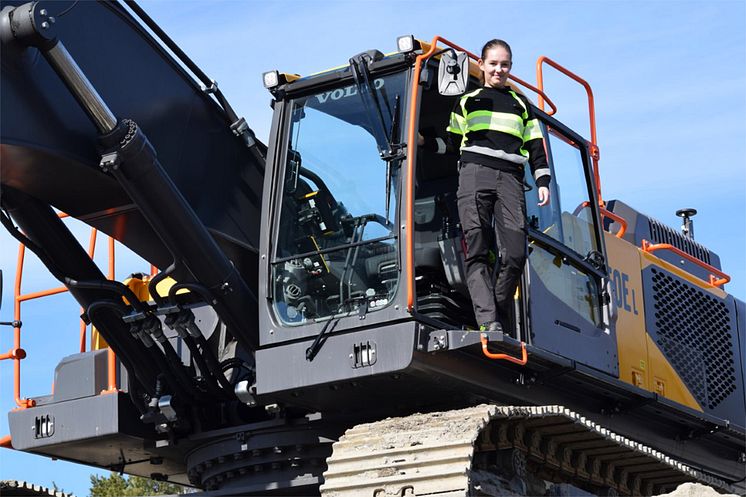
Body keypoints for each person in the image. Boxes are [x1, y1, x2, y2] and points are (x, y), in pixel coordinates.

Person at [421, 39, 550, 333]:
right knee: (476, 248)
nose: (498, 69)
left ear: (510, 68)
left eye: (504, 64)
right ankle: (488, 320)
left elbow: (535, 145)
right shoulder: (467, 101)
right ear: (482, 65)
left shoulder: (522, 106)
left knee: (516, 252)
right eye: (493, 63)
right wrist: (425, 142)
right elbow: (452, 144)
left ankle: (496, 306)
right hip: (474, 175)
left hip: (510, 178)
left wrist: (542, 180)